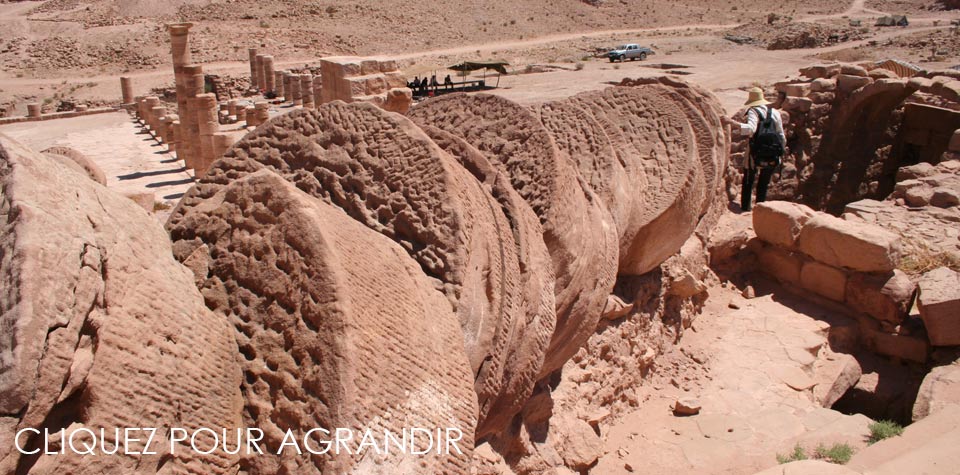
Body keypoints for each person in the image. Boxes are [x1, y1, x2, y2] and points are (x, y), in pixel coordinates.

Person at [726, 87, 786, 212]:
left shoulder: (754, 111)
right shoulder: (775, 112)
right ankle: (761, 208)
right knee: (764, 182)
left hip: (755, 150)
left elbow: (751, 129)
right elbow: (781, 135)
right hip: (772, 151)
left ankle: (746, 208)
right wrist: (780, 152)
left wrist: (733, 123)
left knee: (749, 178)